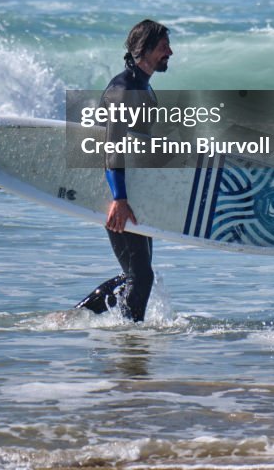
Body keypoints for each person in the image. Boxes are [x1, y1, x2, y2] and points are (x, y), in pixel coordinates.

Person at [75, 19, 172, 322]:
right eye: (162, 47)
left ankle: (79, 317)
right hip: (117, 193)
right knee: (140, 276)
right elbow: (112, 145)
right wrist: (119, 198)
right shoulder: (124, 89)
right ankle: (129, 340)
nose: (170, 51)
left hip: (133, 193)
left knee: (138, 275)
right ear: (143, 50)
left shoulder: (142, 85)